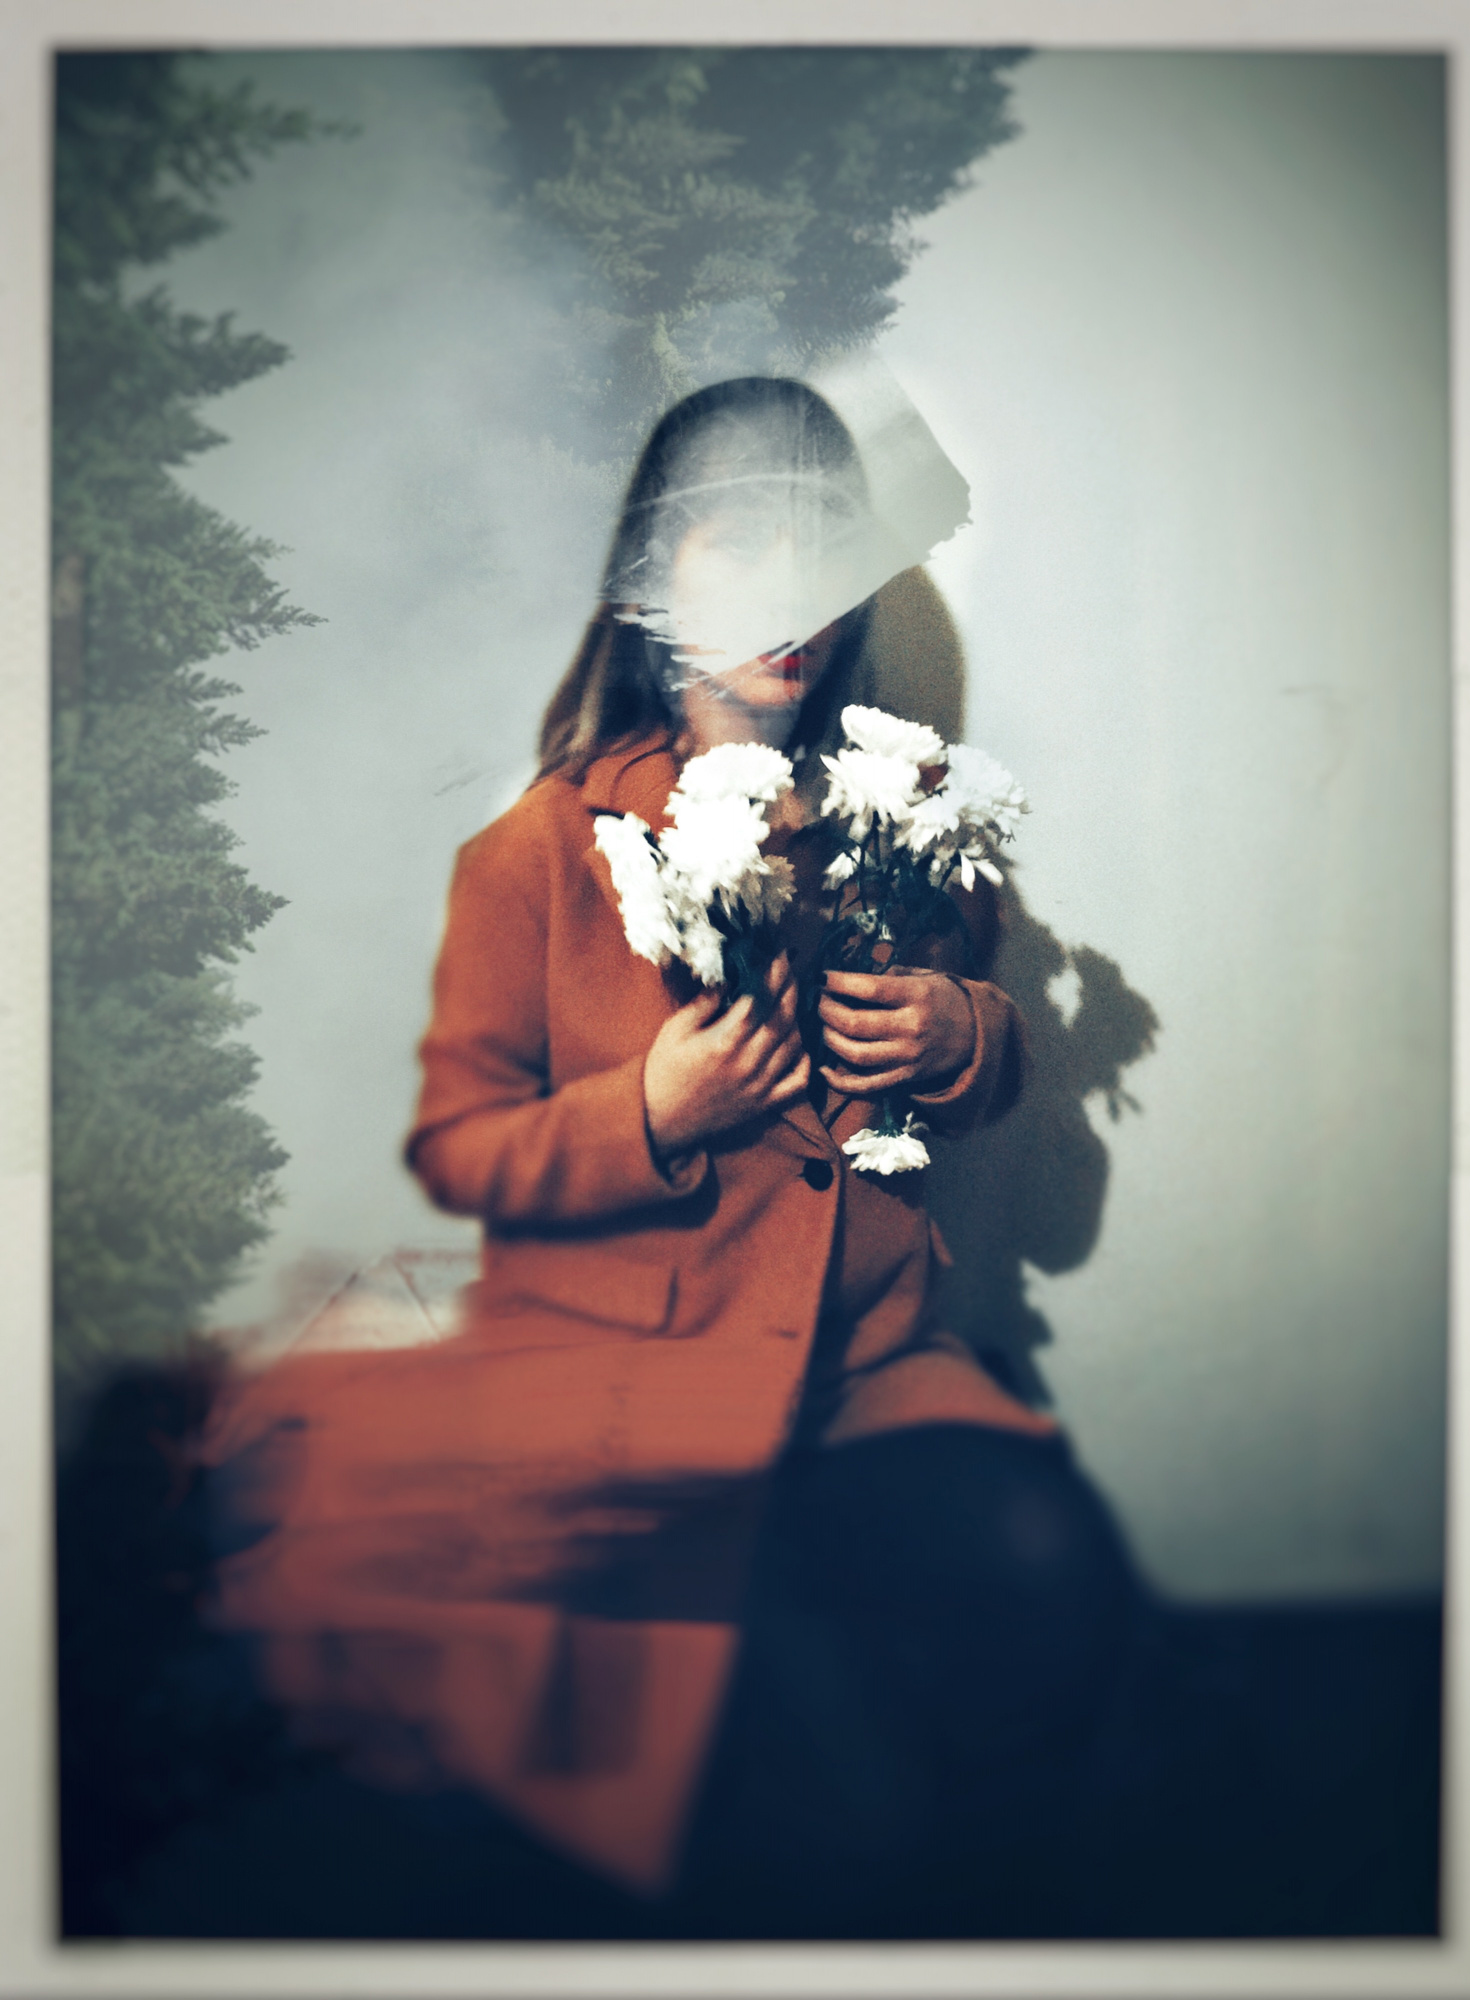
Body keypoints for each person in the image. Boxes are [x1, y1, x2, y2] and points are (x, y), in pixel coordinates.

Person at [202, 377, 1138, 1929]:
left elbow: (988, 1059)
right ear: (651, 575)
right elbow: (464, 1147)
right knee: (833, 1813)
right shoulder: (537, 853)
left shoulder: (899, 818)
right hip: (645, 1392)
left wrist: (960, 1036)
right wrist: (649, 1114)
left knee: (1055, 1577)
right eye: (740, 545)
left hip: (859, 1376)